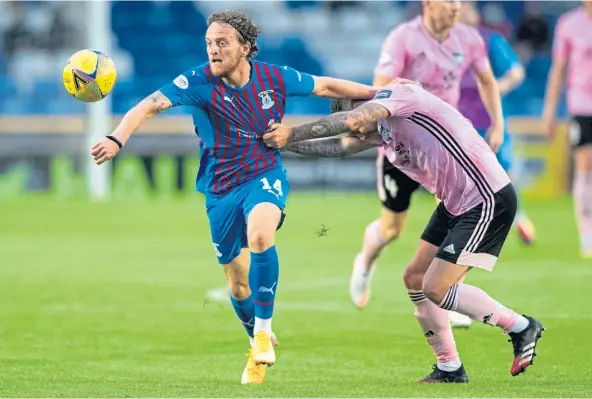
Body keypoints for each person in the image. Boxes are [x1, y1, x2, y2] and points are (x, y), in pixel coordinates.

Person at [89, 10, 376, 385]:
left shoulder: (274, 76)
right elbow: (148, 105)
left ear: (245, 48)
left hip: (264, 175)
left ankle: (262, 332)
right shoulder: (197, 80)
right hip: (220, 188)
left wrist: (378, 95)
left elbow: (325, 86)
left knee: (260, 235)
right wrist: (116, 138)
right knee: (237, 285)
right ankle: (254, 344)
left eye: (222, 42)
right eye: (209, 43)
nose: (213, 50)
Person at [263, 81, 545, 382]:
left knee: (436, 287)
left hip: (485, 197)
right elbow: (342, 145)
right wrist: (284, 144)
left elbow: (351, 122)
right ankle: (449, 367)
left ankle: (521, 326)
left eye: (356, 122)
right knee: (414, 279)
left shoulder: (400, 95)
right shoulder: (382, 126)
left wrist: (292, 132)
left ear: (362, 105)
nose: (357, 133)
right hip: (456, 202)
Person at [349, 0, 505, 330]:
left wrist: (498, 125)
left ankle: (445, 292)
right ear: (428, 4)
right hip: (403, 146)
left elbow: (487, 80)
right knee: (392, 228)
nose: (456, 8)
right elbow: (379, 91)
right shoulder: (402, 38)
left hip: (445, 148)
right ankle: (365, 259)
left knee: (458, 216)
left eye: (459, 2)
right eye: (449, 1)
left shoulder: (470, 39)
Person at [458, 1, 535, 244]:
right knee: (456, 176)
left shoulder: (488, 40)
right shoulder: (439, 45)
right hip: (455, 120)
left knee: (503, 173)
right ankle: (463, 228)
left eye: (465, 8)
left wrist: (499, 86)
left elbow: (516, 71)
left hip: (488, 119)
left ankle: (519, 218)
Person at [543, 1, 592, 258]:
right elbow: (559, 68)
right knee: (585, 166)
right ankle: (587, 235)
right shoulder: (569, 24)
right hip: (582, 107)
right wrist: (549, 110)